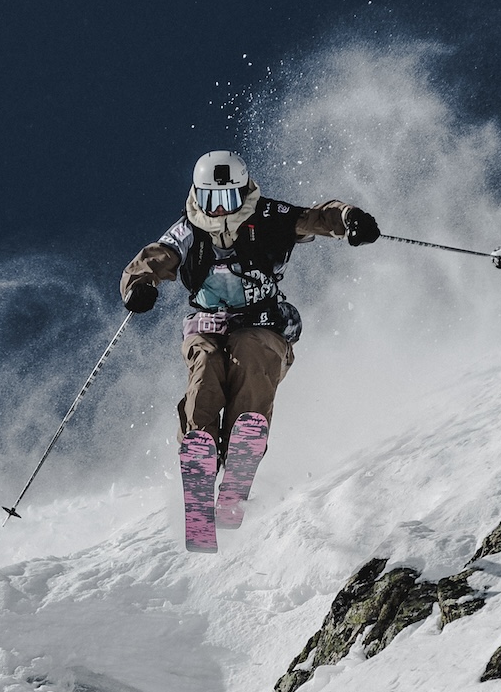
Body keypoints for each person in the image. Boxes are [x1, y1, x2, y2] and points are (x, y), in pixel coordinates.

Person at [120, 150, 378, 552]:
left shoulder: (268, 217)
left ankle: (243, 444)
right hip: (208, 327)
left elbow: (316, 217)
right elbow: (155, 258)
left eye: (228, 200)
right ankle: (200, 449)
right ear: (198, 197)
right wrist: (139, 286)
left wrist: (348, 220)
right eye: (211, 201)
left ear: (244, 193)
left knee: (251, 360)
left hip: (262, 325)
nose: (220, 211)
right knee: (205, 372)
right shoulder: (188, 232)